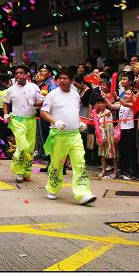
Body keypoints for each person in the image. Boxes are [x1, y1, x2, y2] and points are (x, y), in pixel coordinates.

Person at [39, 71, 96, 205]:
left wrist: (79, 123)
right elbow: (43, 112)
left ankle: (83, 194)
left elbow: (74, 112)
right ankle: (52, 188)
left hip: (75, 135)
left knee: (80, 163)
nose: (62, 81)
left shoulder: (75, 94)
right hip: (58, 135)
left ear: (71, 80)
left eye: (65, 78)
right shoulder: (52, 95)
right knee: (57, 164)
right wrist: (55, 122)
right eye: (60, 78)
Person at [2, 65, 43, 183]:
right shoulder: (11, 89)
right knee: (22, 146)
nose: (18, 76)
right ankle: (18, 171)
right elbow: (6, 103)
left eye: (21, 73)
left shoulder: (34, 87)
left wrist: (34, 103)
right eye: (16, 73)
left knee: (29, 149)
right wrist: (6, 114)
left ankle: (26, 172)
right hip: (17, 120)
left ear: (26, 75)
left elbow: (42, 101)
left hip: (31, 120)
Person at [93, 97, 117, 179]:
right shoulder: (98, 113)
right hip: (101, 135)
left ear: (106, 104)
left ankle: (115, 170)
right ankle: (103, 170)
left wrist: (98, 116)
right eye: (98, 103)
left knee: (112, 153)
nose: (100, 105)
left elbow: (106, 114)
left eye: (102, 103)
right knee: (102, 153)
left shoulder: (108, 111)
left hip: (109, 134)